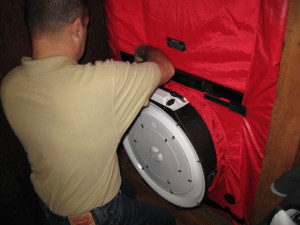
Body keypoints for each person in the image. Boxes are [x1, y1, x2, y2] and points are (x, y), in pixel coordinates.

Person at [0, 0, 175, 225]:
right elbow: (166, 68)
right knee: (165, 220)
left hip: (50, 205)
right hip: (95, 215)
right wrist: (141, 49)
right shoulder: (102, 81)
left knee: (127, 188)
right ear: (77, 27)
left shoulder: (10, 84)